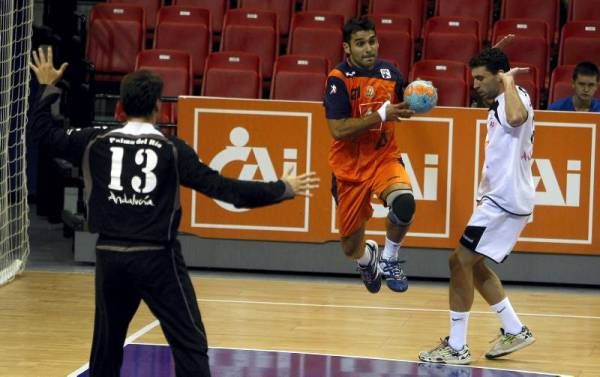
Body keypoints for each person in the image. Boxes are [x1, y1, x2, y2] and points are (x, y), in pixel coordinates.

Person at [28, 46, 319, 377]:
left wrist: (48, 86)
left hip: (109, 256)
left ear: (120, 108)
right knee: (189, 344)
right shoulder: (171, 149)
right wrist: (282, 188)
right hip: (156, 259)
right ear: (158, 109)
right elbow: (229, 192)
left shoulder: (94, 140)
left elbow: (44, 134)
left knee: (106, 352)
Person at [418, 48, 536, 364]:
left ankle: (457, 347)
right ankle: (515, 329)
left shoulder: (514, 98)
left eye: (482, 79)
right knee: (475, 264)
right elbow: (502, 88)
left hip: (504, 201)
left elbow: (516, 118)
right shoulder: (509, 94)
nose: (476, 85)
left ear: (501, 77)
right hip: (500, 199)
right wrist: (498, 54)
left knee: (458, 262)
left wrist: (508, 81)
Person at [323, 16, 416, 294]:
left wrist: (418, 100)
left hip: (384, 158)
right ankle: (367, 259)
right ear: (347, 48)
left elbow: (405, 102)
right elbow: (338, 130)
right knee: (351, 247)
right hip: (349, 168)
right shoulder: (337, 80)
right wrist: (380, 114)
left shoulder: (391, 74)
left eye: (372, 42)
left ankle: (389, 258)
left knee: (404, 204)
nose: (368, 48)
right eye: (360, 44)